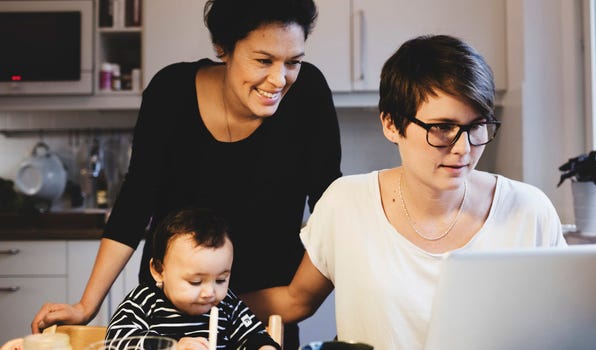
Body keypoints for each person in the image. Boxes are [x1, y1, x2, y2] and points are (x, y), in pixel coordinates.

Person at [31, 0, 342, 348]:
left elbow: (331, 206)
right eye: (263, 60)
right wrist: (86, 305)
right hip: (166, 310)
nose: (279, 79)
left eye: (293, 62)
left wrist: (300, 298)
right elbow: (135, 204)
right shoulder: (170, 92)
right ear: (223, 48)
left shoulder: (308, 95)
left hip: (260, 317)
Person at [244, 34, 567, 349]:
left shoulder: (529, 211)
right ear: (391, 124)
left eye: (476, 126)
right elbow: (297, 300)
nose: (463, 149)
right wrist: (200, 304)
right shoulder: (345, 203)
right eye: (442, 128)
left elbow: (567, 325)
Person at [105, 208, 280, 350]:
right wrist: (171, 347)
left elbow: (254, 336)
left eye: (221, 280)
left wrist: (264, 347)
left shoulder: (228, 305)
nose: (210, 293)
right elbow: (115, 342)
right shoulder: (143, 302)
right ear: (159, 270)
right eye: (195, 282)